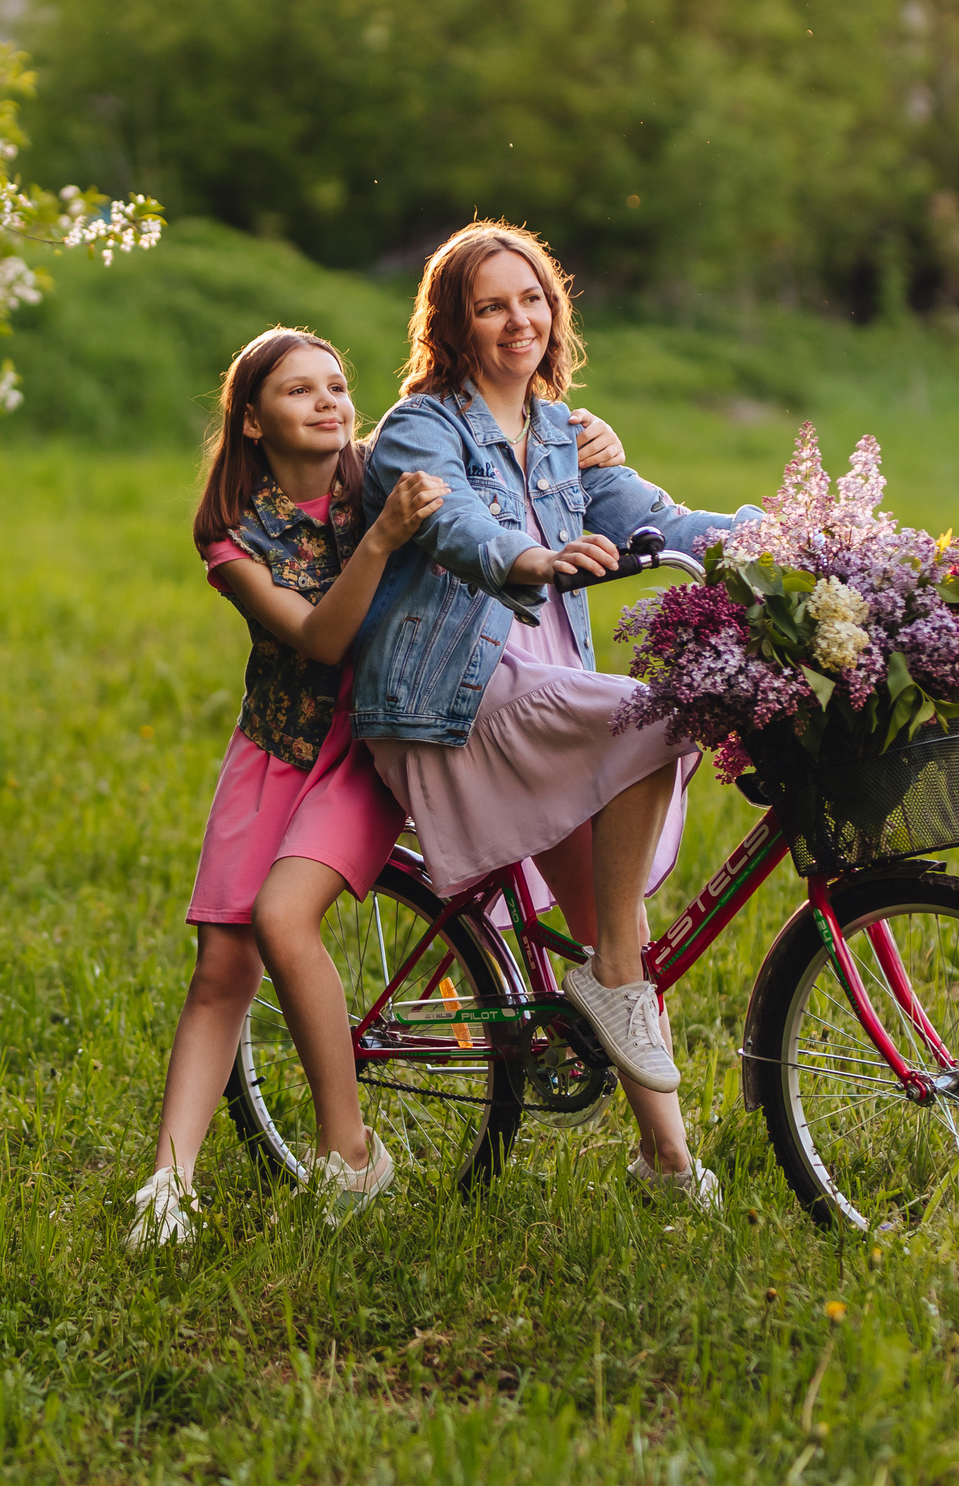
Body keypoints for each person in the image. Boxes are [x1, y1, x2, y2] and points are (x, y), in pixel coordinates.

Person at [127, 326, 628, 1248]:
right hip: (277, 748)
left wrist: (586, 438)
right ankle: (169, 1182)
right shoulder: (234, 540)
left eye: (335, 386)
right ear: (250, 419)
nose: (328, 402)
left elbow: (502, 456)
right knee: (222, 964)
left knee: (283, 919)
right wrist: (382, 539)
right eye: (298, 392)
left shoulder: (393, 466)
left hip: (370, 742)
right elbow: (319, 639)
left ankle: (350, 1153)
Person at [352, 223, 764, 1210]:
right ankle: (613, 977)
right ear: (450, 324)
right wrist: (527, 559)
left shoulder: (561, 432)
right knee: (651, 709)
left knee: (605, 922)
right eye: (490, 306)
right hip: (458, 697)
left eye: (529, 299)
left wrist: (775, 535)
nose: (516, 320)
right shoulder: (421, 426)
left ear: (554, 308)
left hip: (543, 691)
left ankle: (666, 1165)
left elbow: (652, 515)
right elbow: (453, 523)